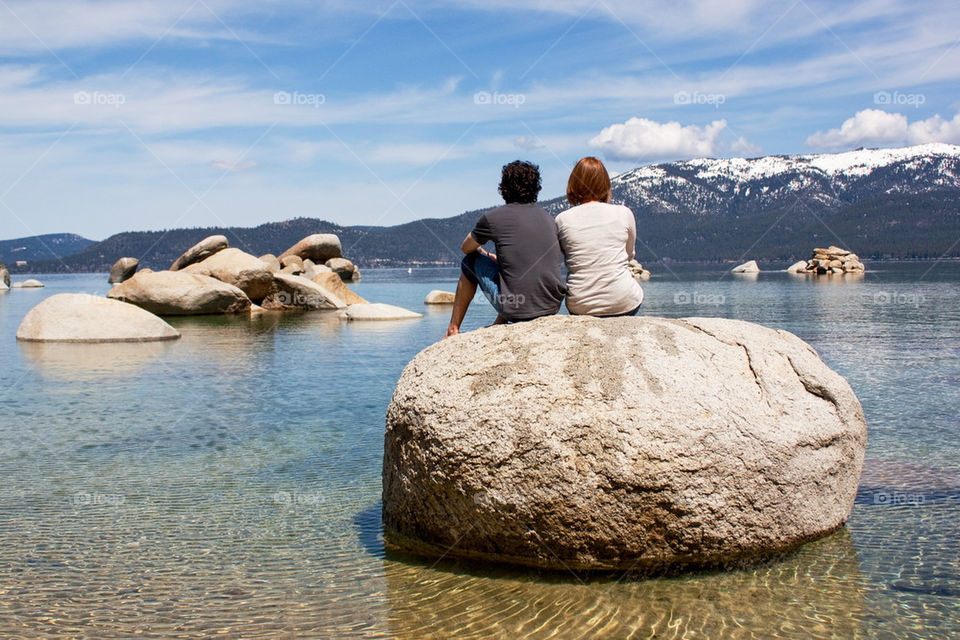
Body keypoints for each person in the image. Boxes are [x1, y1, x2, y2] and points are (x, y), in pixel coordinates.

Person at [445, 160, 566, 338]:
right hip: (552, 306)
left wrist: (484, 253)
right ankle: (499, 322)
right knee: (514, 272)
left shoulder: (493, 218)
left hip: (517, 310)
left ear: (504, 188)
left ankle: (453, 329)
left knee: (470, 261)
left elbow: (466, 248)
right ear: (536, 188)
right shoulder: (548, 218)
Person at [556, 156, 644, 317]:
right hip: (623, 301)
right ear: (605, 184)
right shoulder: (624, 213)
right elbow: (629, 255)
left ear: (573, 184)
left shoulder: (562, 219)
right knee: (632, 293)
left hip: (580, 305)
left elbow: (566, 256)